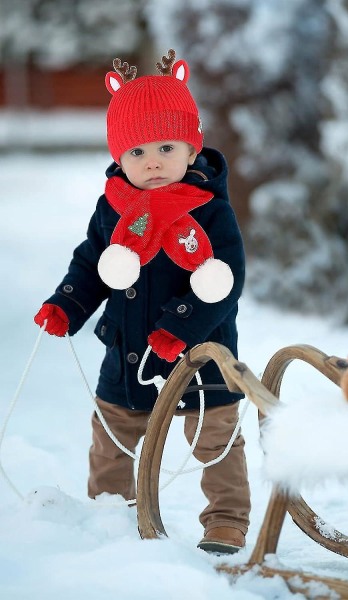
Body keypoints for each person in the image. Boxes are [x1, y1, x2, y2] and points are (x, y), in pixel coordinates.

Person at [33, 49, 250, 554]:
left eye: (166, 147)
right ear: (119, 157)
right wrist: (67, 303)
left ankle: (225, 521)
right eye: (136, 153)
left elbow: (226, 279)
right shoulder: (113, 208)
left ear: (192, 149)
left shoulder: (212, 211)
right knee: (112, 435)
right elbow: (92, 262)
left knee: (215, 440)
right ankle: (110, 517)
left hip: (201, 350)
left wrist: (183, 325)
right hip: (130, 347)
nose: (151, 161)